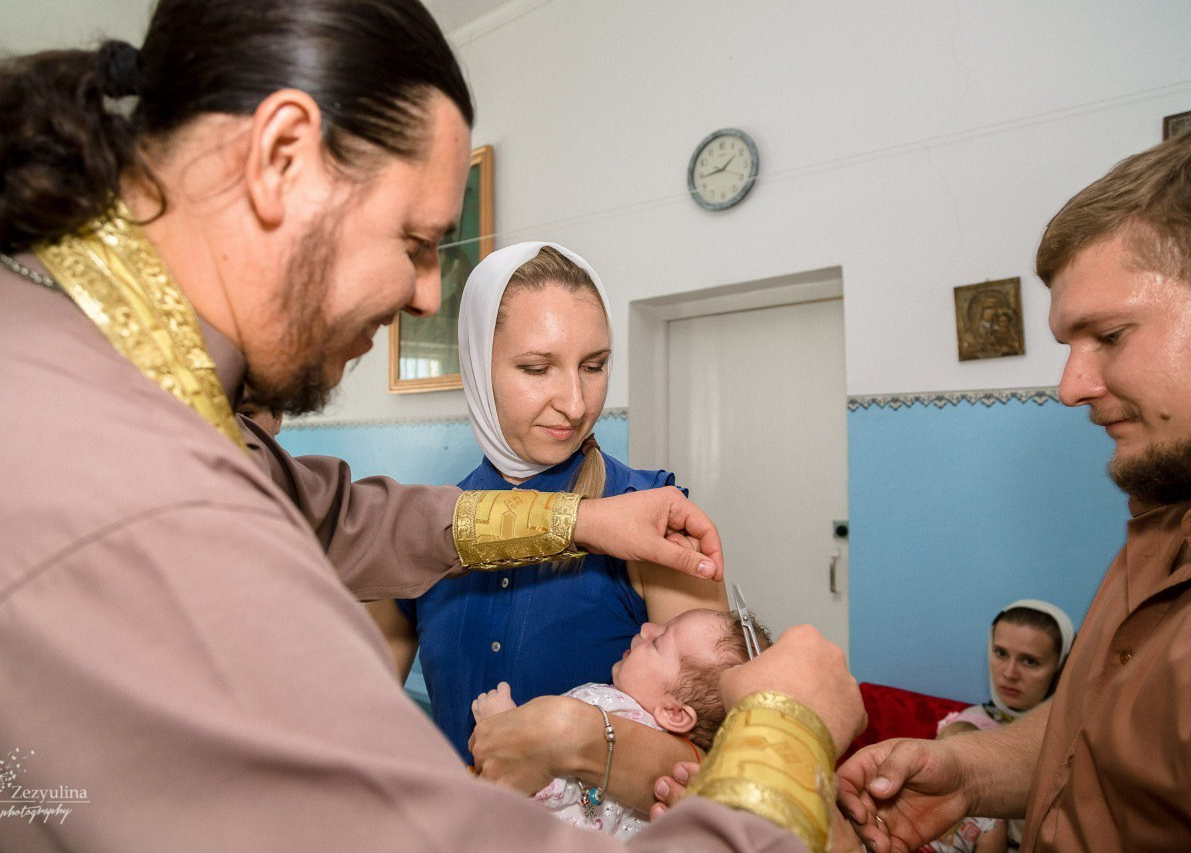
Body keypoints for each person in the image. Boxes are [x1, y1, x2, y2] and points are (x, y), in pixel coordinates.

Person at [0, 0, 864, 849]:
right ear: (281, 156)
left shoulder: (79, 348)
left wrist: (581, 522)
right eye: (413, 242)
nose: (420, 293)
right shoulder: (123, 486)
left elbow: (337, 516)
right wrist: (786, 733)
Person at [835, 133, 1191, 852]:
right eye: (1068, 344)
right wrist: (965, 770)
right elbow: (1089, 739)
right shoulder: (1162, 516)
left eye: (1110, 335)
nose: (1070, 386)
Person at [368, 242, 727, 778]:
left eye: (595, 365)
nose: (576, 403)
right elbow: (359, 724)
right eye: (537, 368)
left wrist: (577, 743)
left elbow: (722, 763)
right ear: (475, 367)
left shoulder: (655, 516)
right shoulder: (422, 531)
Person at [471, 608, 770, 839]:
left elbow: (545, 784)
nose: (646, 629)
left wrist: (503, 720)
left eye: (658, 642)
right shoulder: (661, 753)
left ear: (674, 713)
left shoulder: (613, 711)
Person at [925, 600, 1075, 853]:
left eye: (1030, 661)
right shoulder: (966, 722)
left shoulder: (1070, 740)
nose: (1009, 672)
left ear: (1061, 668)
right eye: (1001, 653)